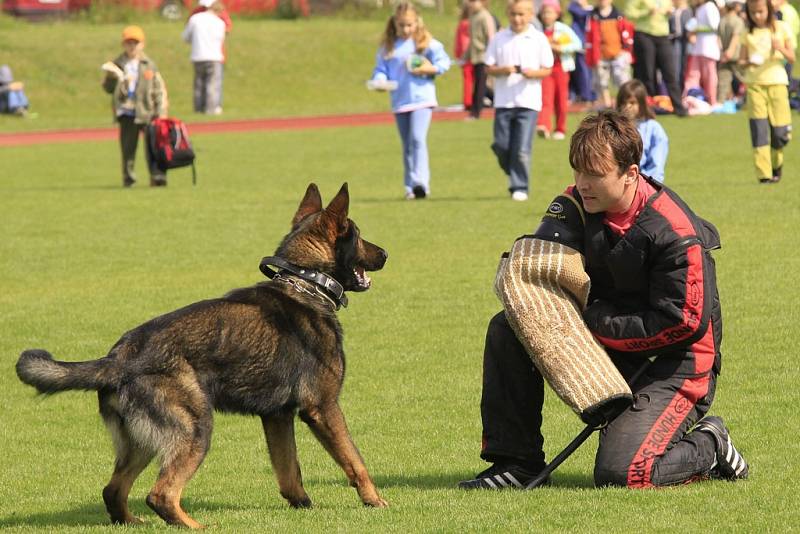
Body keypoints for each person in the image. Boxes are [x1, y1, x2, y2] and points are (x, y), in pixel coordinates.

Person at [458, 110, 748, 490]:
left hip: (678, 362)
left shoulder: (676, 233)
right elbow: (538, 256)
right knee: (509, 324)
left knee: (623, 473)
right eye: (578, 171)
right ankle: (516, 462)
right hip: (612, 338)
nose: (582, 184)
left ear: (631, 173)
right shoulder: (577, 202)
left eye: (595, 174)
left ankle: (710, 443)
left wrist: (594, 322)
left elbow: (682, 323)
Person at [370, 2, 451, 200]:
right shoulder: (388, 47)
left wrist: (428, 68)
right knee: (407, 144)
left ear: (417, 23)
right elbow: (380, 69)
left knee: (417, 139)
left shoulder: (426, 43)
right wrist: (380, 80)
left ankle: (421, 183)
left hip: (422, 100)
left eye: (409, 25)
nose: (406, 29)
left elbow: (444, 63)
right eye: (401, 25)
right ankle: (409, 187)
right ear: (394, 24)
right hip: (400, 101)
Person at [485, 0, 553, 201]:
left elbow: (547, 68)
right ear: (508, 14)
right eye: (514, 14)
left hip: (528, 101)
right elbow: (488, 66)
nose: (517, 19)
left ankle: (519, 186)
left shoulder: (538, 38)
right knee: (502, 145)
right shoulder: (499, 38)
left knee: (522, 149)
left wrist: (533, 74)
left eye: (521, 14)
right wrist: (502, 70)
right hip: (503, 101)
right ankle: (513, 170)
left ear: (531, 15)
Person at [102, 25, 168, 188]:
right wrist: (111, 78)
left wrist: (161, 111)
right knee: (128, 149)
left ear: (142, 44)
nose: (132, 46)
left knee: (153, 147)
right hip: (127, 111)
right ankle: (128, 178)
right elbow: (108, 89)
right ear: (123, 44)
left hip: (147, 111)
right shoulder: (117, 64)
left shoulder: (149, 64)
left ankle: (157, 176)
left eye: (135, 43)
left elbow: (158, 88)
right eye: (129, 43)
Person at [739, 0, 795, 183]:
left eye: (760, 11)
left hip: (777, 83)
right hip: (755, 85)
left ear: (769, 9)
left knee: (780, 133)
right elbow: (741, 60)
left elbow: (792, 57)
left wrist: (780, 48)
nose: (757, 16)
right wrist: (748, 62)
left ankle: (776, 164)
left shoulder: (781, 28)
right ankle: (764, 175)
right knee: (759, 131)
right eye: (753, 13)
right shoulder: (747, 33)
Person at [625, 0, 689, 115]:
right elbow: (629, 13)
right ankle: (648, 109)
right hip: (644, 35)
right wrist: (646, 12)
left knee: (670, 73)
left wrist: (670, 11)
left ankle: (679, 108)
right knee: (647, 74)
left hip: (663, 36)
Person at [535, 0, 583, 140]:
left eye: (549, 12)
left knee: (561, 99)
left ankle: (560, 129)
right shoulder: (539, 31)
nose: (546, 15)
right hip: (546, 69)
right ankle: (544, 126)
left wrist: (560, 48)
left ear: (557, 14)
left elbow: (577, 44)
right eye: (544, 12)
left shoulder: (563, 29)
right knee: (545, 98)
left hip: (561, 68)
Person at [584, 0, 635, 109]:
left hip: (618, 53)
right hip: (601, 55)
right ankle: (605, 103)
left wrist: (626, 50)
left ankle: (624, 103)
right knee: (601, 81)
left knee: (622, 79)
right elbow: (590, 36)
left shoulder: (619, 15)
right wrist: (592, 55)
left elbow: (627, 33)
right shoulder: (592, 16)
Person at [617, 79, 669, 181]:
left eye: (632, 103)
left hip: (644, 183)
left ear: (641, 104)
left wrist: (647, 184)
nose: (627, 107)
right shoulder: (614, 127)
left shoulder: (654, 129)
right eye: (624, 103)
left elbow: (656, 166)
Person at [182, 0, 227, 115]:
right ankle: (211, 109)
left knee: (199, 84)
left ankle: (198, 109)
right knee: (212, 84)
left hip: (198, 56)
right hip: (214, 57)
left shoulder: (195, 19)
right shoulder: (220, 23)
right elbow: (221, 39)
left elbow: (185, 37)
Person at [683, 0, 722, 105]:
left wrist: (696, 29)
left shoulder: (710, 7)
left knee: (709, 75)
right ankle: (689, 98)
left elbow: (714, 26)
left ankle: (712, 100)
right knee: (692, 74)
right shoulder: (700, 8)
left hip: (708, 47)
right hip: (698, 48)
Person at [467, 0, 497, 118]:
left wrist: (491, 56)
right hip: (476, 56)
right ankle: (497, 99)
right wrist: (465, 57)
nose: (471, 4)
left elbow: (491, 37)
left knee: (480, 85)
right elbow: (472, 41)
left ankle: (475, 112)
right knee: (481, 84)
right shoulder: (473, 17)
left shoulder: (485, 16)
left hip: (484, 56)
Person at [717, 0, 746, 104]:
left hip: (724, 55)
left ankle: (720, 102)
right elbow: (736, 37)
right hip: (735, 55)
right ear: (735, 6)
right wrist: (730, 52)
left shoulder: (722, 20)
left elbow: (718, 39)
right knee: (744, 78)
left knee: (723, 81)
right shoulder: (737, 21)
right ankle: (748, 100)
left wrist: (722, 53)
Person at [568, 0, 597, 104]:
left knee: (592, 72)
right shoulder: (574, 7)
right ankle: (585, 96)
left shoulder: (593, 9)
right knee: (582, 72)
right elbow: (574, 10)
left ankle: (591, 94)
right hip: (581, 44)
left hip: (593, 45)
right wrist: (589, 10)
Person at [454, 1, 475, 110]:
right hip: (472, 55)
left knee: (468, 79)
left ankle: (468, 101)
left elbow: (458, 42)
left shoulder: (462, 24)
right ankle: (471, 101)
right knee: (472, 79)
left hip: (465, 56)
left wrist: (458, 54)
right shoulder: (470, 24)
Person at [669, 0, 693, 91]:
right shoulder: (673, 10)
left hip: (684, 42)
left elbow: (689, 28)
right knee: (675, 67)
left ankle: (681, 89)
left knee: (682, 66)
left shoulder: (687, 11)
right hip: (673, 41)